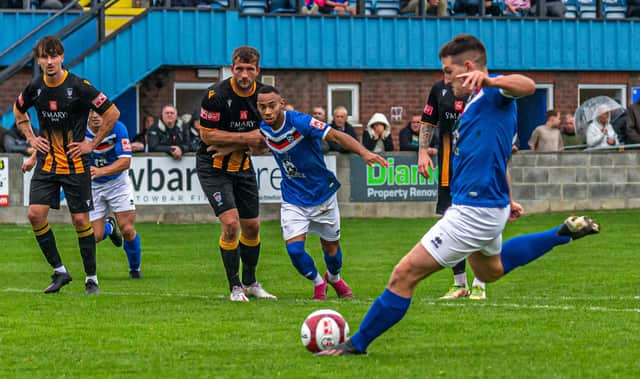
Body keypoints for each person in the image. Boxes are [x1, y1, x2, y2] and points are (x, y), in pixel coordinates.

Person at [318, 34, 599, 356]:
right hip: (486, 205)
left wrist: (490, 81)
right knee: (488, 271)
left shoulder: (495, 96)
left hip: (474, 210)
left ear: (468, 68)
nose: (444, 79)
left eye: (448, 72)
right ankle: (560, 234)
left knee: (404, 274)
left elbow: (528, 86)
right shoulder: (473, 107)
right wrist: (506, 198)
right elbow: (497, 157)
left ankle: (356, 345)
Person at [254, 86, 388, 300]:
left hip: (322, 195)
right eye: (262, 107)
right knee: (295, 251)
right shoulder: (263, 128)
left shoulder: (301, 122)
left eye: (271, 106)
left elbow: (334, 135)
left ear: (281, 103)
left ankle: (334, 278)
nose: (267, 111)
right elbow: (256, 144)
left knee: (332, 250)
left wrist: (364, 152)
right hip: (293, 197)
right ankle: (319, 282)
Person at [14, 36, 121, 295]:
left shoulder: (79, 86)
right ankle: (60, 271)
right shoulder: (35, 88)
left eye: (54, 56)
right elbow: (19, 112)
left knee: (79, 220)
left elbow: (112, 113)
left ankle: (91, 278)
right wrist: (31, 140)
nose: (49, 62)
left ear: (62, 57)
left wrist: (91, 144)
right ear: (38, 60)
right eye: (44, 57)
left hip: (75, 164)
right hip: (47, 164)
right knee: (34, 215)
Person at [197, 46, 276, 302]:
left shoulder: (264, 96)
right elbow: (206, 136)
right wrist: (247, 138)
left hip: (242, 166)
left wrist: (231, 143)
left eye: (249, 69)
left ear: (257, 70)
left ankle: (251, 282)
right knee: (231, 225)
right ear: (232, 68)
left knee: (252, 227)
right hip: (213, 166)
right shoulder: (215, 95)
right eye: (239, 69)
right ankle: (235, 287)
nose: (244, 74)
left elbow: (266, 138)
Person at [422, 77, 487, 300]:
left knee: (480, 218)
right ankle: (459, 283)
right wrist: (423, 152)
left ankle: (480, 283)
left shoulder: (483, 88)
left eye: (449, 68)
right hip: (448, 164)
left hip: (478, 162)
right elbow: (428, 121)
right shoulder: (439, 88)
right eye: (444, 70)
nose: (446, 74)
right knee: (450, 221)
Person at [85, 110, 143, 279]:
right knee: (94, 236)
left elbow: (125, 161)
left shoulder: (118, 128)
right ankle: (109, 228)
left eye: (100, 113)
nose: (95, 116)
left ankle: (134, 269)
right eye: (91, 112)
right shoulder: (80, 130)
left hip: (118, 183)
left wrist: (100, 171)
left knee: (127, 229)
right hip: (94, 185)